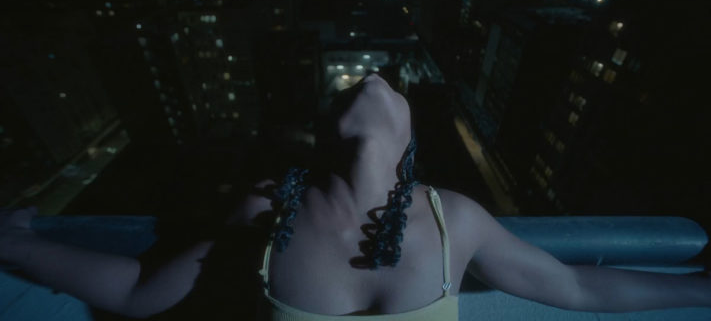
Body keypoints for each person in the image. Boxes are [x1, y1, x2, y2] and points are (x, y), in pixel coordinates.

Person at [1, 73, 710, 320]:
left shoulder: (454, 218)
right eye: (349, 88)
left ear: (408, 145)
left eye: (389, 85)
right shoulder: (266, 212)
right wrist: (16, 243)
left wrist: (701, 290)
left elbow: (579, 289)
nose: (371, 78)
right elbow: (139, 290)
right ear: (323, 137)